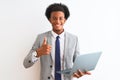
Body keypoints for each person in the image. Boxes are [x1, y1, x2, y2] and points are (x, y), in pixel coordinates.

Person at [23, 3, 91, 80]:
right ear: (50, 20)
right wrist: (38, 53)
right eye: (54, 18)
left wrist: (80, 72)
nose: (57, 21)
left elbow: (78, 64)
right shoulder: (41, 38)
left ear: (65, 20)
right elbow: (26, 64)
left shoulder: (74, 39)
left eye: (60, 18)